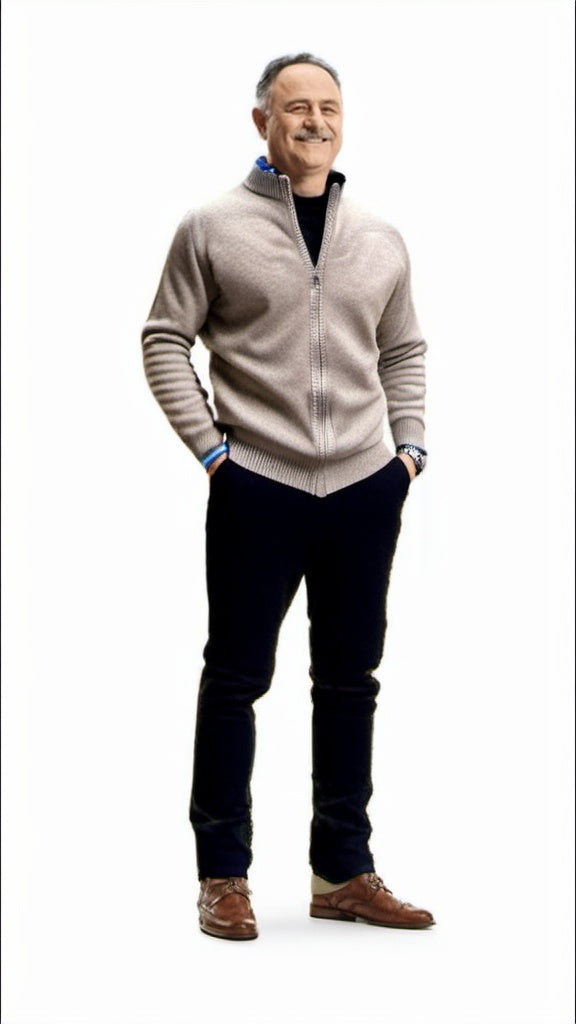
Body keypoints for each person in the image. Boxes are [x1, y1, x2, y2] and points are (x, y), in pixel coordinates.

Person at [142, 53, 435, 941]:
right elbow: (164, 337)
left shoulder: (380, 237)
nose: (314, 121)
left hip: (362, 489)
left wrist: (408, 453)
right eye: (296, 106)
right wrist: (213, 453)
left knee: (350, 682)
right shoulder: (211, 227)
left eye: (329, 107)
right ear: (261, 120)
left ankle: (342, 872)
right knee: (236, 678)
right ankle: (222, 877)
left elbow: (404, 349)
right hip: (257, 486)